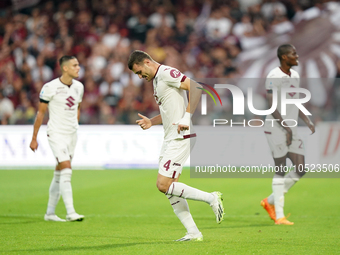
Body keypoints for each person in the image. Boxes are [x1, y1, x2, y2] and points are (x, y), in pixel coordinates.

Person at [128, 50, 224, 242]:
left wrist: (187, 117)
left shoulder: (165, 73)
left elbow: (195, 87)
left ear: (147, 62)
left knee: (163, 185)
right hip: (170, 137)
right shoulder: (156, 80)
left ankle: (211, 198)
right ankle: (193, 233)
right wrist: (151, 122)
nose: (140, 77)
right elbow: (170, 111)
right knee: (171, 188)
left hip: (181, 136)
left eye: (140, 72)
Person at [261, 44, 315, 225]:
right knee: (281, 169)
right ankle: (280, 216)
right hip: (276, 127)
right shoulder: (273, 76)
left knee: (300, 169)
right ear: (284, 57)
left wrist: (306, 119)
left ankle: (269, 201)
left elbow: (295, 100)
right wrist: (287, 128)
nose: (297, 56)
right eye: (294, 54)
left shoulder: (296, 76)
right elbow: (271, 104)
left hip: (291, 127)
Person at [30, 56, 85, 222]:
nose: (78, 68)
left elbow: (78, 107)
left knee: (60, 172)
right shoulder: (50, 87)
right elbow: (40, 113)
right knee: (67, 169)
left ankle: (50, 213)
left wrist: (75, 124)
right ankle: (70, 212)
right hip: (56, 133)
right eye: (75, 65)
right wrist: (34, 138)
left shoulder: (79, 87)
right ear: (65, 68)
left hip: (71, 135)